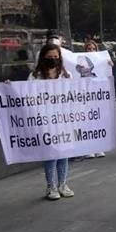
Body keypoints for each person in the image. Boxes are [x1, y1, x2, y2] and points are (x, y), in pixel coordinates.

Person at [30, 43, 74, 200]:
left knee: (63, 153)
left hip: (63, 120)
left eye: (56, 57)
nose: (53, 60)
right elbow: (25, 93)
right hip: (45, 121)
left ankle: (63, 184)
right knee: (51, 154)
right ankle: (51, 186)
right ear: (43, 58)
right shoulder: (35, 76)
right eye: (50, 58)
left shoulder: (66, 75)